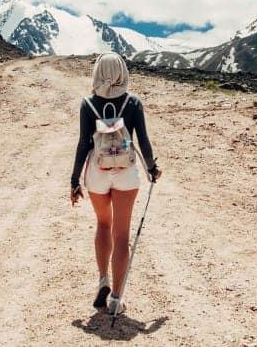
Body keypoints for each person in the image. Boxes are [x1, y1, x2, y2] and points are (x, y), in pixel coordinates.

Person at [71, 52, 161, 316]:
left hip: (97, 172)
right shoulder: (133, 103)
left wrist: (74, 180)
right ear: (123, 72)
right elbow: (142, 140)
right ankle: (116, 299)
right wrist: (152, 168)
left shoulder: (87, 104)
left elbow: (83, 143)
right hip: (126, 172)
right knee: (121, 234)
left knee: (103, 224)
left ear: (97, 72)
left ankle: (102, 280)